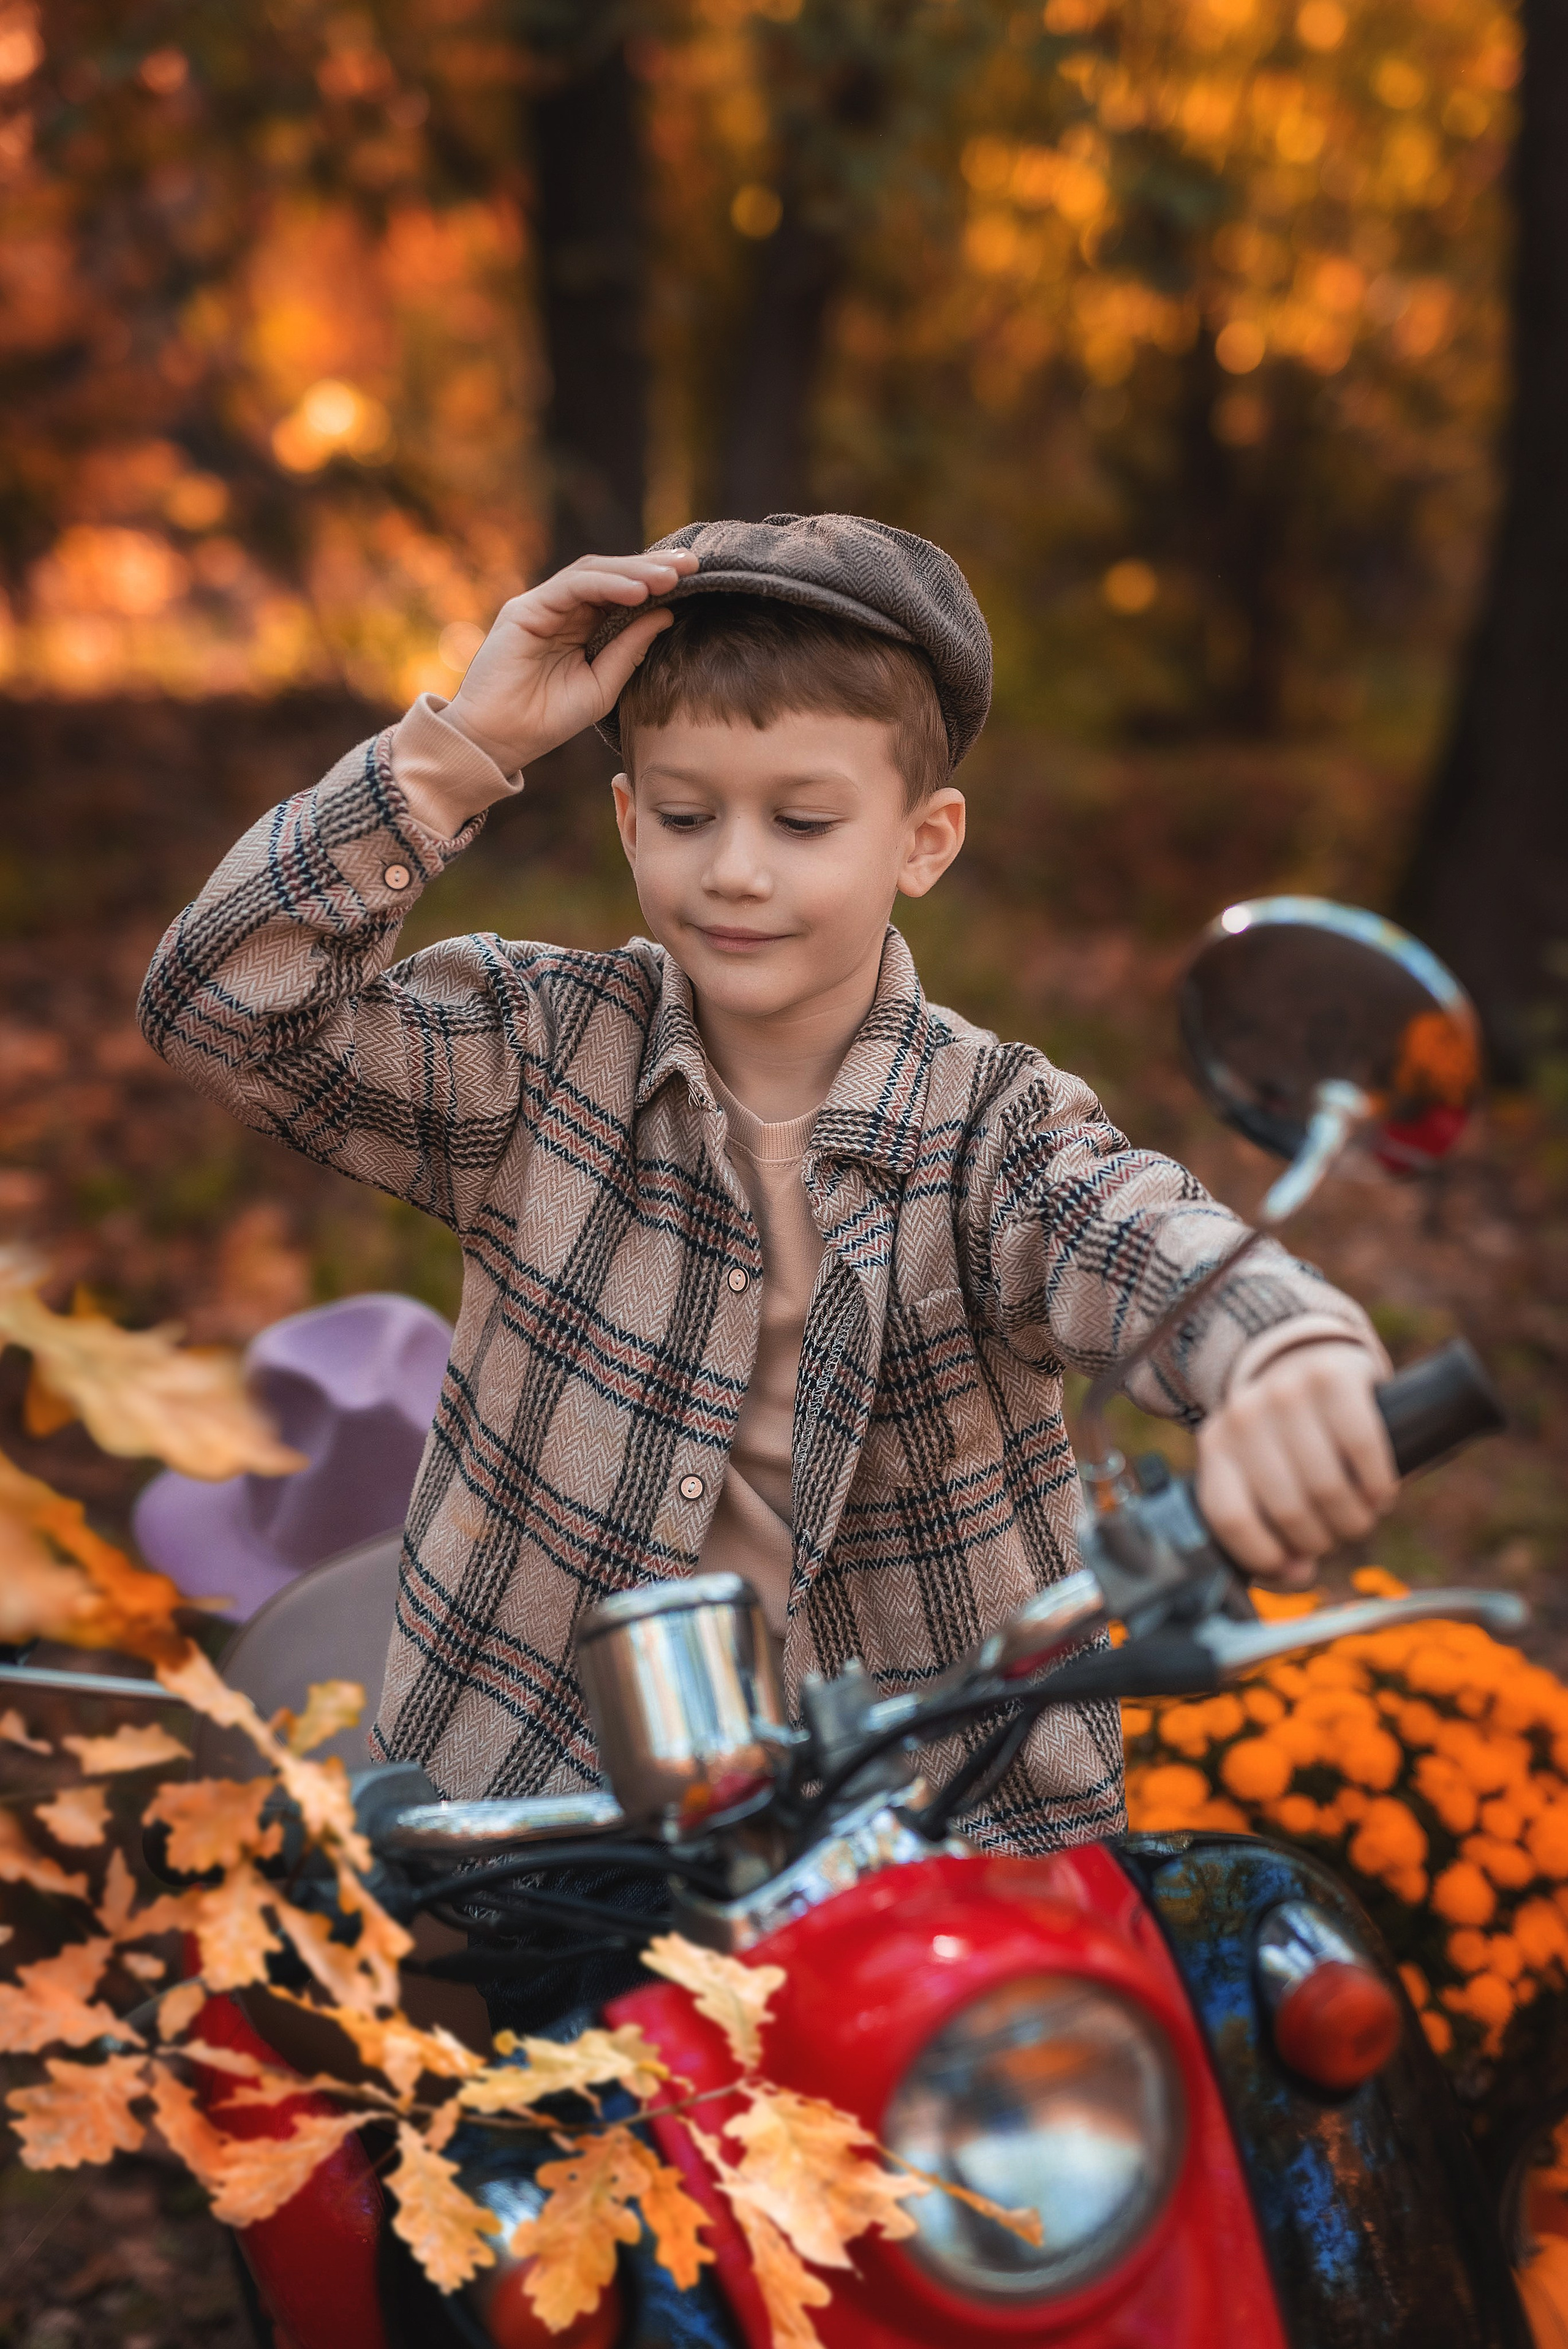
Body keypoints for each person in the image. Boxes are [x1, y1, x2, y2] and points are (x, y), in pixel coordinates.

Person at [138, 513, 1395, 1870]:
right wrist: (465, 745)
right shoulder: (535, 1054)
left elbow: (1131, 1231)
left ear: (922, 841)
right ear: (627, 820)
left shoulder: (987, 1129)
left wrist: (1284, 1349)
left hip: (910, 1849)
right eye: (685, 816)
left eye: (800, 821)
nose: (734, 867)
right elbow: (223, 1010)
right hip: (540, 1817)